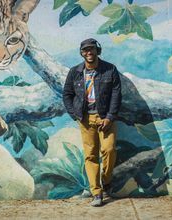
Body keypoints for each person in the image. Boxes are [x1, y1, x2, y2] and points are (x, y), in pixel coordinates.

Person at [63, 38, 122, 207]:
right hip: (85, 119)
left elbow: (116, 95)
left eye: (91, 49)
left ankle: (107, 180)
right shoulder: (75, 72)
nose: (89, 52)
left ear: (97, 51)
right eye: (85, 50)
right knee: (90, 155)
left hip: (105, 118)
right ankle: (97, 193)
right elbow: (67, 94)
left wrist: (110, 117)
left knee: (109, 150)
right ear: (82, 53)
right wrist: (75, 114)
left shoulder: (110, 70)